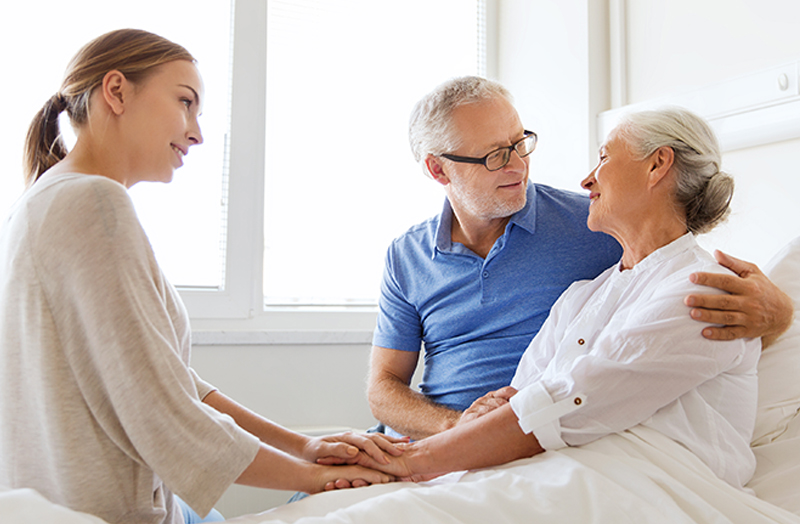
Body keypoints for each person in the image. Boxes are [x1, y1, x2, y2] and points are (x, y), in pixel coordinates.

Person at [0, 29, 398, 524]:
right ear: (117, 91)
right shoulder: (92, 202)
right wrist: (310, 477)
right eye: (185, 102)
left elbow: (165, 376)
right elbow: (158, 407)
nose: (196, 133)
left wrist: (304, 446)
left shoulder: (44, 199)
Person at [367, 76, 794, 441]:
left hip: (519, 439)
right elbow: (383, 388)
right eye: (496, 156)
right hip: (437, 435)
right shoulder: (407, 256)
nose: (518, 166)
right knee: (310, 492)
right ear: (439, 170)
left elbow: (678, 264)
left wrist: (779, 313)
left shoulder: (595, 222)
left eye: (520, 144)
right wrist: (454, 428)